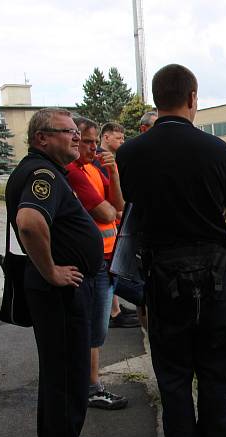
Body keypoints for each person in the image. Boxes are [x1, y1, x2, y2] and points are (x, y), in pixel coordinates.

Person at [117, 64, 226, 437]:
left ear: (157, 99)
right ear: (193, 97)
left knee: (172, 373)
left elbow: (134, 204)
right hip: (215, 276)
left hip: (162, 275)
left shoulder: (129, 153)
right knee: (215, 366)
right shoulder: (217, 150)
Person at [5, 108, 117, 437]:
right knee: (67, 376)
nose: (76, 137)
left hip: (57, 289)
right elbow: (30, 222)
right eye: (66, 132)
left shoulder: (46, 170)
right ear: (41, 139)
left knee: (58, 373)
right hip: (59, 290)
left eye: (75, 132)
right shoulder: (43, 175)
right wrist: (52, 270)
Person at [65, 117, 129, 410]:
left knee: (97, 329)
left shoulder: (93, 169)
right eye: (86, 142)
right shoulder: (74, 172)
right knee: (92, 328)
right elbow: (107, 213)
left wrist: (113, 173)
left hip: (108, 257)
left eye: (93, 142)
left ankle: (90, 385)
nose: (92, 148)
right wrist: (113, 207)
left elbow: (120, 205)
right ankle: (90, 387)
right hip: (94, 261)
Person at [97, 122, 142, 329]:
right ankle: (114, 313)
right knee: (115, 274)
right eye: (118, 138)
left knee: (112, 275)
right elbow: (109, 201)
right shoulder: (99, 162)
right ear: (105, 137)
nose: (122, 142)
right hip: (106, 233)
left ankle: (114, 310)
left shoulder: (111, 161)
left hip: (112, 229)